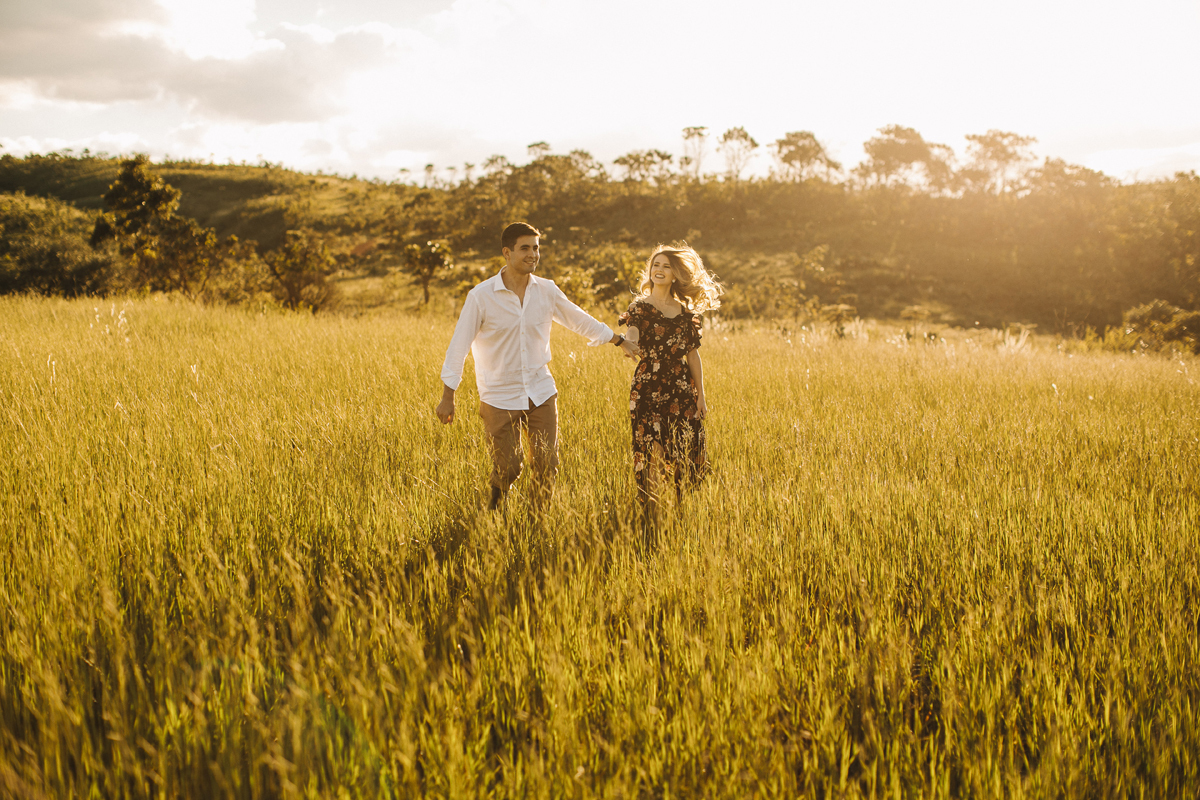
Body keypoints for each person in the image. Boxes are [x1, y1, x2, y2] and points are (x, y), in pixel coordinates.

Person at [437, 222, 639, 510]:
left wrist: (618, 339)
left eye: (536, 248)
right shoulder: (480, 297)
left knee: (547, 463)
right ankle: (492, 510)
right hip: (498, 394)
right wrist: (448, 396)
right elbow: (459, 346)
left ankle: (538, 521)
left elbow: (578, 319)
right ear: (507, 252)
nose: (532, 254)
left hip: (540, 390)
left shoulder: (546, 290)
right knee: (509, 467)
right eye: (525, 248)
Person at [618, 243, 722, 520]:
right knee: (651, 446)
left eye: (666, 266)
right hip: (648, 385)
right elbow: (632, 332)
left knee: (679, 447)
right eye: (656, 265)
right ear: (650, 271)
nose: (659, 270)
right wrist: (629, 343)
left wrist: (701, 395)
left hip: (680, 385)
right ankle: (650, 512)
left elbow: (693, 355)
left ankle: (677, 510)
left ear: (675, 274)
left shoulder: (687, 313)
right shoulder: (640, 307)